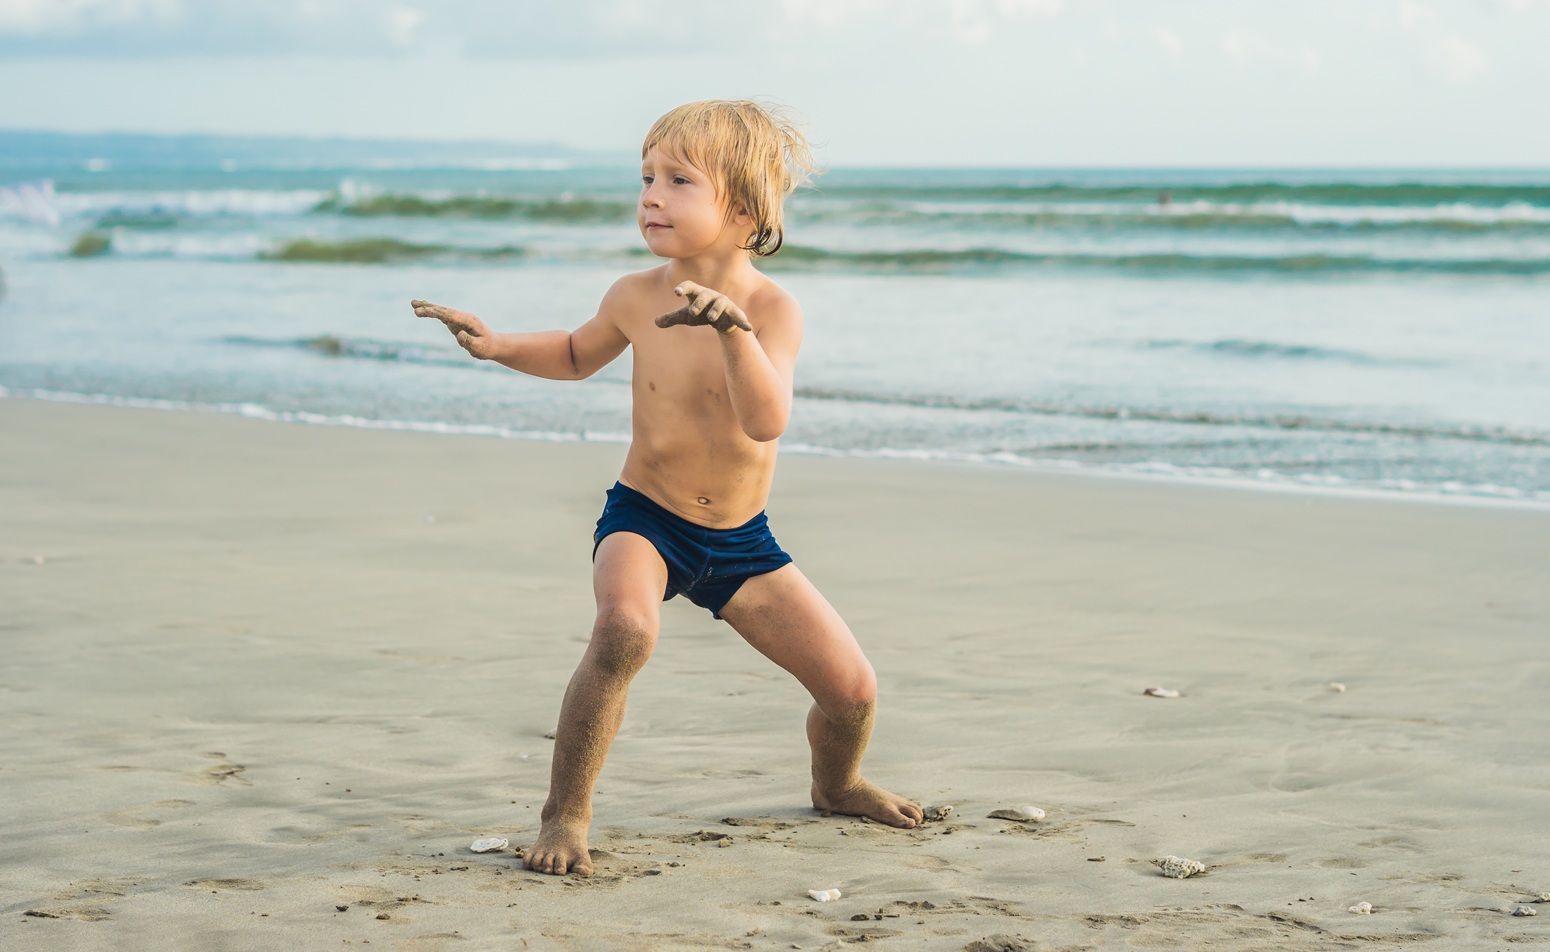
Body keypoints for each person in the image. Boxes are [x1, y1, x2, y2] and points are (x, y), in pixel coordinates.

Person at [412, 100, 922, 877]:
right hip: (645, 518)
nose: (651, 195)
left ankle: (837, 783)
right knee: (624, 630)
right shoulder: (635, 294)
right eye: (646, 177)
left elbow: (765, 420)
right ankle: (565, 815)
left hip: (742, 542)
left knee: (852, 692)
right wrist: (499, 345)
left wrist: (732, 331)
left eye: (679, 180)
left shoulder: (772, 311)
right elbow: (576, 353)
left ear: (744, 210)